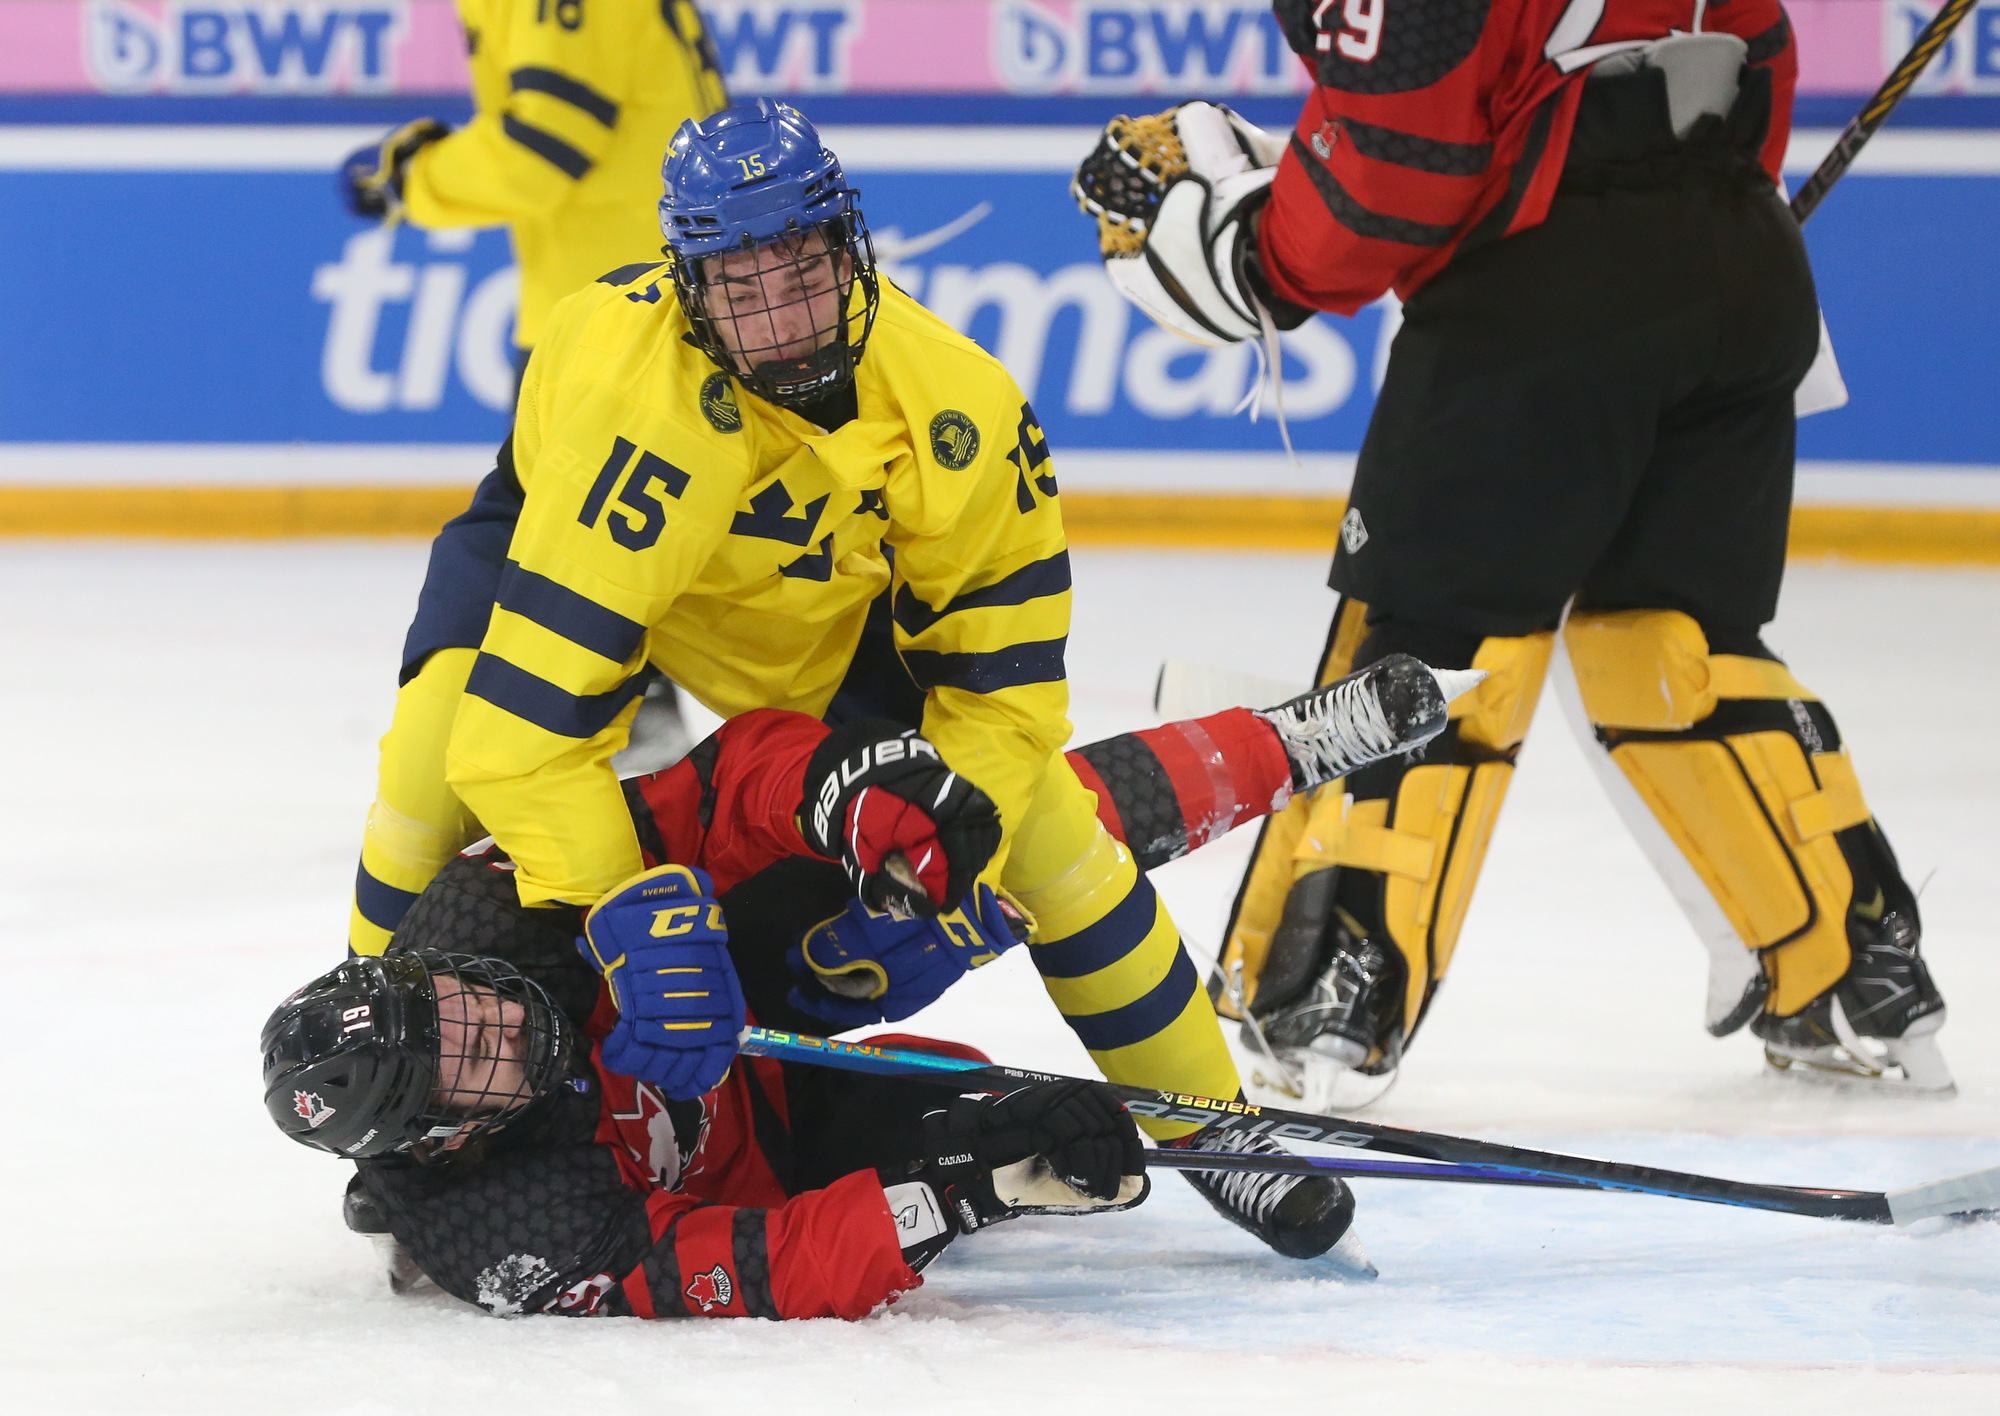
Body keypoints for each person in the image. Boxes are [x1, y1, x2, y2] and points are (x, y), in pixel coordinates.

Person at [344, 97, 1477, 1263]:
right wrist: (630, 909)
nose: (781, 317)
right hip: (584, 572)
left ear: (850, 246)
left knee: (1041, 825)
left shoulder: (962, 410)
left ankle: (1211, 1130)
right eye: (739, 286)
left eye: (802, 267)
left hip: (818, 638)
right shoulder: (632, 412)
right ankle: (388, 1088)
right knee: (436, 760)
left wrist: (935, 858)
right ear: (689, 290)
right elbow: (524, 740)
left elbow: (1003, 706)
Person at [1075, 2, 1949, 1106]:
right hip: (1740, 268)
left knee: (1430, 649)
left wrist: (1263, 254)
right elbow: (1760, 54)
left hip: (1542, 302)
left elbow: (1398, 169)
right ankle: (1849, 967)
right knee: (1678, 653)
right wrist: (1679, 219)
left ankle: (1336, 1005)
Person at [261, 853, 1151, 1320]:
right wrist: (961, 1196)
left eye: (445, 1003)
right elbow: (761, 1267)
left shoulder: (480, 911)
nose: (488, 1024)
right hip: (785, 1151)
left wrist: (840, 801)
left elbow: (688, 810)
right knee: (994, 1120)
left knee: (926, 848)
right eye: (458, 1064)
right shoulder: (514, 1232)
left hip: (736, 984)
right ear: (442, 1138)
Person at [338, 1, 730, 962]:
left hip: (617, 317)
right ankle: (637, 730)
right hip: (632, 303)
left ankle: (601, 761)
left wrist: (414, 182)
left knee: (549, 553)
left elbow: (542, 145)